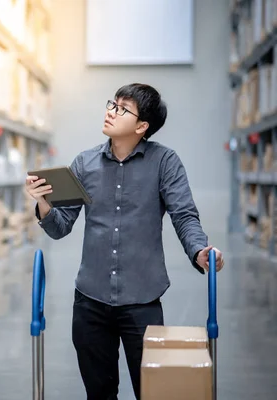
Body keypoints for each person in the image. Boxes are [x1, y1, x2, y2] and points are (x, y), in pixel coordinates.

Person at [25, 83, 225, 400]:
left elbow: (184, 214)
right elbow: (60, 227)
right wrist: (44, 204)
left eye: (122, 108)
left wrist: (199, 249)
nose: (110, 111)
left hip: (142, 302)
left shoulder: (165, 163)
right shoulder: (84, 164)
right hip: (90, 302)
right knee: (100, 394)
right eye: (112, 104)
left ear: (142, 126)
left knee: (152, 393)